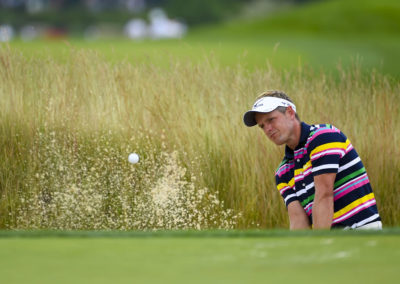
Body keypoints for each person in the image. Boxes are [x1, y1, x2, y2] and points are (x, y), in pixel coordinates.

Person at [243, 90, 382, 230]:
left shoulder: (324, 137)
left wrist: (318, 247)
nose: (267, 129)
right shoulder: (282, 172)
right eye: (262, 126)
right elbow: (298, 221)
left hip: (361, 234)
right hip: (331, 243)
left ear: (290, 113)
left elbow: (324, 195)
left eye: (271, 120)